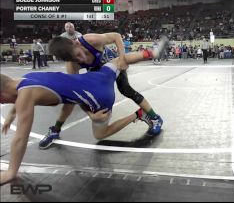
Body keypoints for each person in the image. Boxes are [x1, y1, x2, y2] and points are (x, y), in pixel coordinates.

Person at [0, 37, 167, 185]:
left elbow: (20, 138)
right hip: (97, 76)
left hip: (99, 96)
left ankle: (138, 114)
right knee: (117, 61)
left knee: (100, 135)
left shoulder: (25, 96)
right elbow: (19, 97)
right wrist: (10, 116)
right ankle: (151, 53)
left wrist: (11, 172)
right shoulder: (25, 80)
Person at [38, 32, 164, 150]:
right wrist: (91, 115)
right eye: (76, 60)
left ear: (76, 43)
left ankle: (155, 117)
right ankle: (55, 129)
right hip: (97, 75)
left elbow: (116, 36)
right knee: (71, 101)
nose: (80, 60)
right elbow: (77, 94)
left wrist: (121, 58)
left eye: (78, 55)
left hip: (111, 62)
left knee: (126, 89)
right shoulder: (72, 64)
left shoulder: (90, 40)